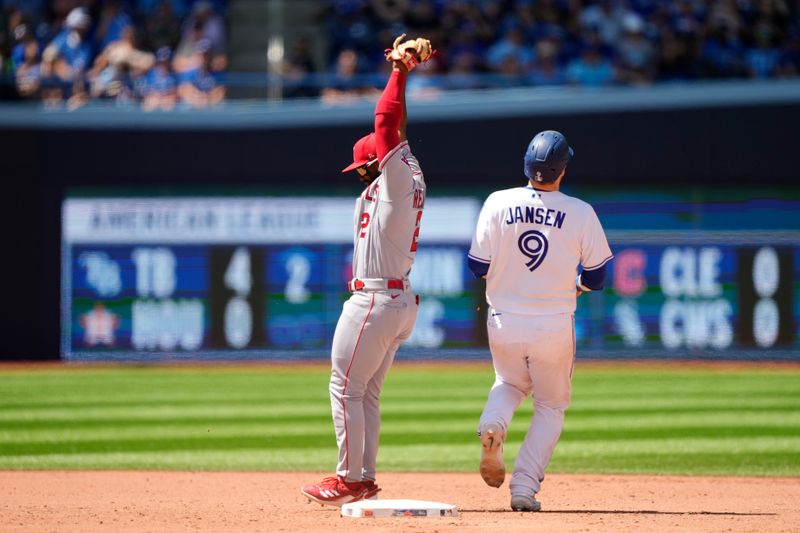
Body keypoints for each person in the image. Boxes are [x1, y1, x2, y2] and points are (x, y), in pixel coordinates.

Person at [301, 35, 434, 507]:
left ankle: (349, 479)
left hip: (376, 299)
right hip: (397, 300)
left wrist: (399, 71)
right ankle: (364, 476)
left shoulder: (395, 177)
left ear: (379, 157)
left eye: (363, 167)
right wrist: (406, 75)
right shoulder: (405, 173)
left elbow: (385, 121)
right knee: (366, 394)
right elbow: (395, 126)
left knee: (344, 388)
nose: (360, 173)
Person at [468, 130, 613, 512]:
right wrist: (576, 284)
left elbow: (476, 266)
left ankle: (493, 426)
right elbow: (597, 278)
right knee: (550, 406)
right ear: (562, 169)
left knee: (509, 383)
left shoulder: (498, 202)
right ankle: (524, 487)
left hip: (503, 320)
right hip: (553, 324)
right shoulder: (581, 211)